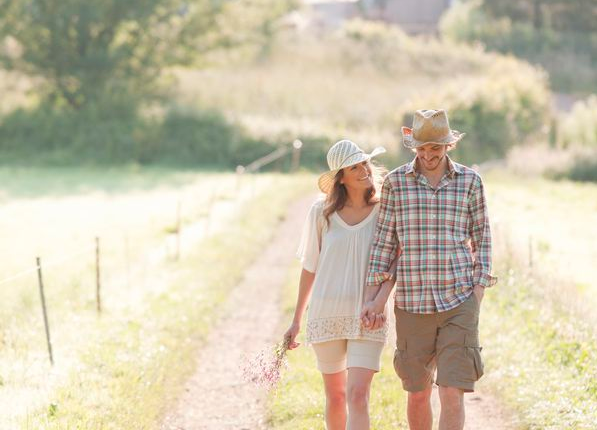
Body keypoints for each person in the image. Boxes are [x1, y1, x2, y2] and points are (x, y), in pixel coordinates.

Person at [362, 109, 497, 430]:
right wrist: (372, 297)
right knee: (418, 393)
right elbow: (384, 244)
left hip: (459, 300)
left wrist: (477, 292)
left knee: (452, 391)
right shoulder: (396, 183)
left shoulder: (470, 182)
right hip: (412, 304)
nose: (427, 156)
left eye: (434, 149)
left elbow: (483, 238)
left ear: (448, 146)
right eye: (421, 150)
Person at [284, 139, 396, 430]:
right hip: (326, 311)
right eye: (354, 167)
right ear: (341, 178)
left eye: (364, 164)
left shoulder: (385, 210)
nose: (363, 170)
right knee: (335, 396)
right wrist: (296, 320)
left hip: (369, 314)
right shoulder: (321, 213)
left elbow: (395, 261)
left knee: (357, 395)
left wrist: (381, 300)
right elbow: (309, 268)